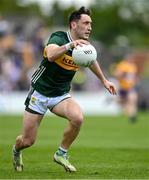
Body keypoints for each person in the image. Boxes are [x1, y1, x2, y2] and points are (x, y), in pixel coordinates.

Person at [12, 6, 117, 173]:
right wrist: (70, 45)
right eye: (86, 23)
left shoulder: (84, 45)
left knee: (78, 118)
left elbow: (91, 60)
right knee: (27, 141)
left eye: (91, 23)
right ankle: (16, 150)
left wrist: (104, 80)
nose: (90, 27)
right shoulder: (59, 37)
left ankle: (61, 153)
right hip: (39, 93)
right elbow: (51, 55)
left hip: (59, 94)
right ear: (74, 25)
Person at [114, 55, 138, 122]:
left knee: (132, 100)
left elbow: (133, 76)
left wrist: (135, 80)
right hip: (122, 87)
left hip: (130, 87)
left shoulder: (133, 66)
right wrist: (123, 74)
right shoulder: (122, 65)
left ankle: (132, 116)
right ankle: (114, 101)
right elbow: (117, 75)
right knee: (123, 102)